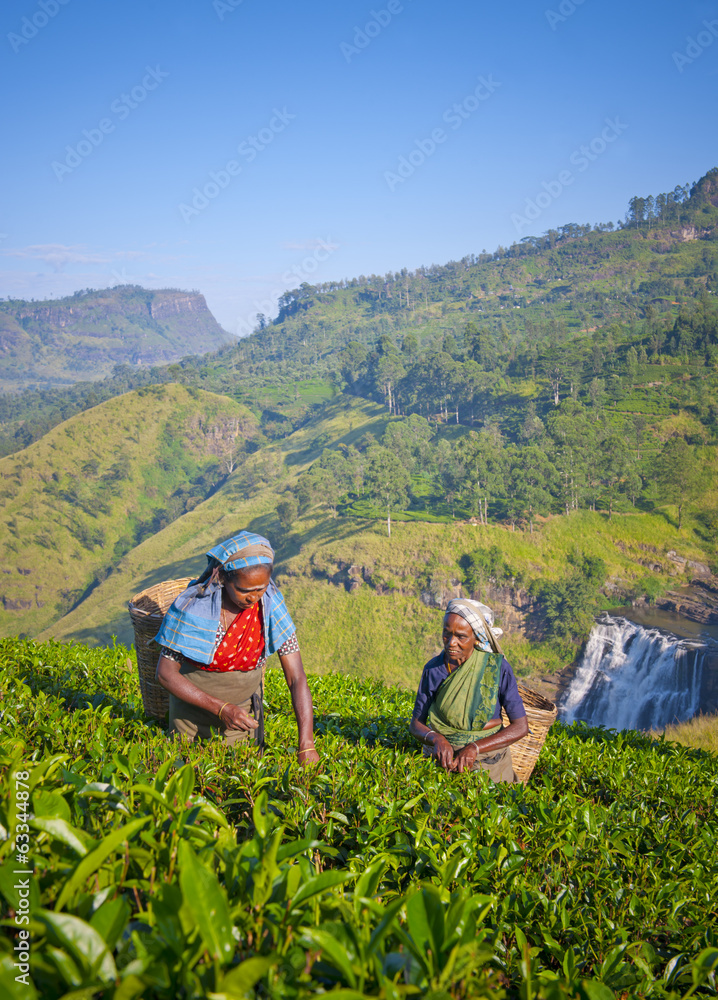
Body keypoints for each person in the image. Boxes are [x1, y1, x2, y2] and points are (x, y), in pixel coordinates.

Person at [154, 530, 320, 766]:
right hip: (190, 719)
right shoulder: (194, 609)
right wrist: (221, 708)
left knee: (238, 783)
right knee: (188, 784)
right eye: (244, 590)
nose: (253, 598)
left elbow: (296, 677)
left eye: (261, 588)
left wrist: (306, 744)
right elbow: (165, 673)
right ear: (222, 578)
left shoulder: (271, 608)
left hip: (242, 718)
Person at [409, 598, 528, 782]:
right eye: (446, 634)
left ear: (477, 638)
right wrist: (437, 739)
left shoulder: (496, 669)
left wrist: (475, 748)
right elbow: (416, 725)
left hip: (489, 763)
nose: (451, 643)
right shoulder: (433, 669)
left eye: (461, 636)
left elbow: (520, 727)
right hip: (442, 761)